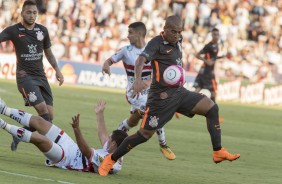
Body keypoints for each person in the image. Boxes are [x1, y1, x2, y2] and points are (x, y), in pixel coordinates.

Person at [98, 15, 240, 176]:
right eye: (173, 31)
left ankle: (218, 151)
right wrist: (138, 80)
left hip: (180, 93)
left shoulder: (179, 40)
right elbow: (140, 61)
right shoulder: (156, 43)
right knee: (143, 135)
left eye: (179, 32)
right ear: (164, 29)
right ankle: (111, 159)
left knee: (211, 108)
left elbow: (176, 67)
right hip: (160, 99)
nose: (177, 35)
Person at [102, 22, 175, 160]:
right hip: (133, 92)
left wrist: (147, 82)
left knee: (133, 121)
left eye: (130, 33)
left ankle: (119, 131)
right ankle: (163, 144)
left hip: (149, 90)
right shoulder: (125, 50)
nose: (127, 36)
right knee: (154, 112)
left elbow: (160, 71)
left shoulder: (153, 50)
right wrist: (106, 65)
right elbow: (109, 60)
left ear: (140, 34)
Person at [0, 0, 64, 151]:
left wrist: (57, 70)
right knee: (44, 114)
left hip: (41, 77)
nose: (32, 15)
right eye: (28, 12)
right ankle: (54, 149)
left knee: (49, 116)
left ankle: (20, 133)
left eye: (35, 12)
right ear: (22, 13)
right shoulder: (13, 30)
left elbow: (49, 53)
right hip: (25, 78)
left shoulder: (42, 31)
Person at [0, 98, 128, 174]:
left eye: (110, 139)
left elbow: (86, 151)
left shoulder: (111, 164)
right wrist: (99, 114)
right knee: (40, 122)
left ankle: (3, 124)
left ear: (114, 144)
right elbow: (103, 134)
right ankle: (4, 109)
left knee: (40, 140)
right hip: (71, 146)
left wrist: (77, 130)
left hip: (68, 159)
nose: (107, 140)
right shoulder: (116, 150)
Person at [193, 28, 225, 122]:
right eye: (214, 34)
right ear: (211, 35)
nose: (216, 36)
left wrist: (220, 57)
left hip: (204, 72)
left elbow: (213, 57)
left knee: (196, 92)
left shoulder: (216, 45)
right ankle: (214, 116)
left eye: (217, 34)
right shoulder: (208, 46)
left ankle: (178, 109)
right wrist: (206, 61)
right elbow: (197, 54)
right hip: (208, 73)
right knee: (214, 93)